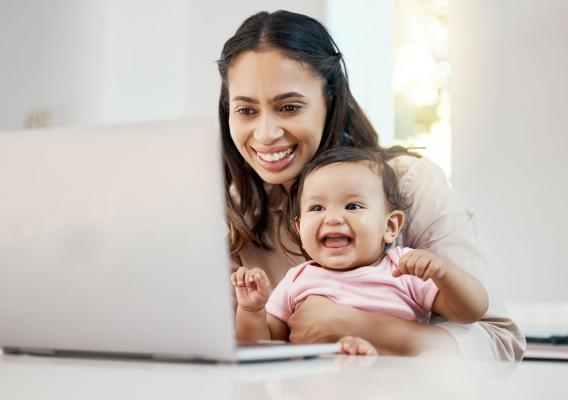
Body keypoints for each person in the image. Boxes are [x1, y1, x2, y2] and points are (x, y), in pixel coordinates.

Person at [217, 10, 526, 359]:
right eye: (246, 111)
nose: (266, 134)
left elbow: (500, 342)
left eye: (289, 107)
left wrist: (361, 325)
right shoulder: (235, 212)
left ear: (329, 102)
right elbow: (233, 349)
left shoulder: (409, 183)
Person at [231, 147, 489, 356]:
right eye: (317, 208)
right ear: (299, 228)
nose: (332, 218)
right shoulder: (297, 280)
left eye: (353, 206)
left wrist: (444, 273)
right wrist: (251, 312)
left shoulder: (402, 268)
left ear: (390, 226)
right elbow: (262, 348)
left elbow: (471, 311)